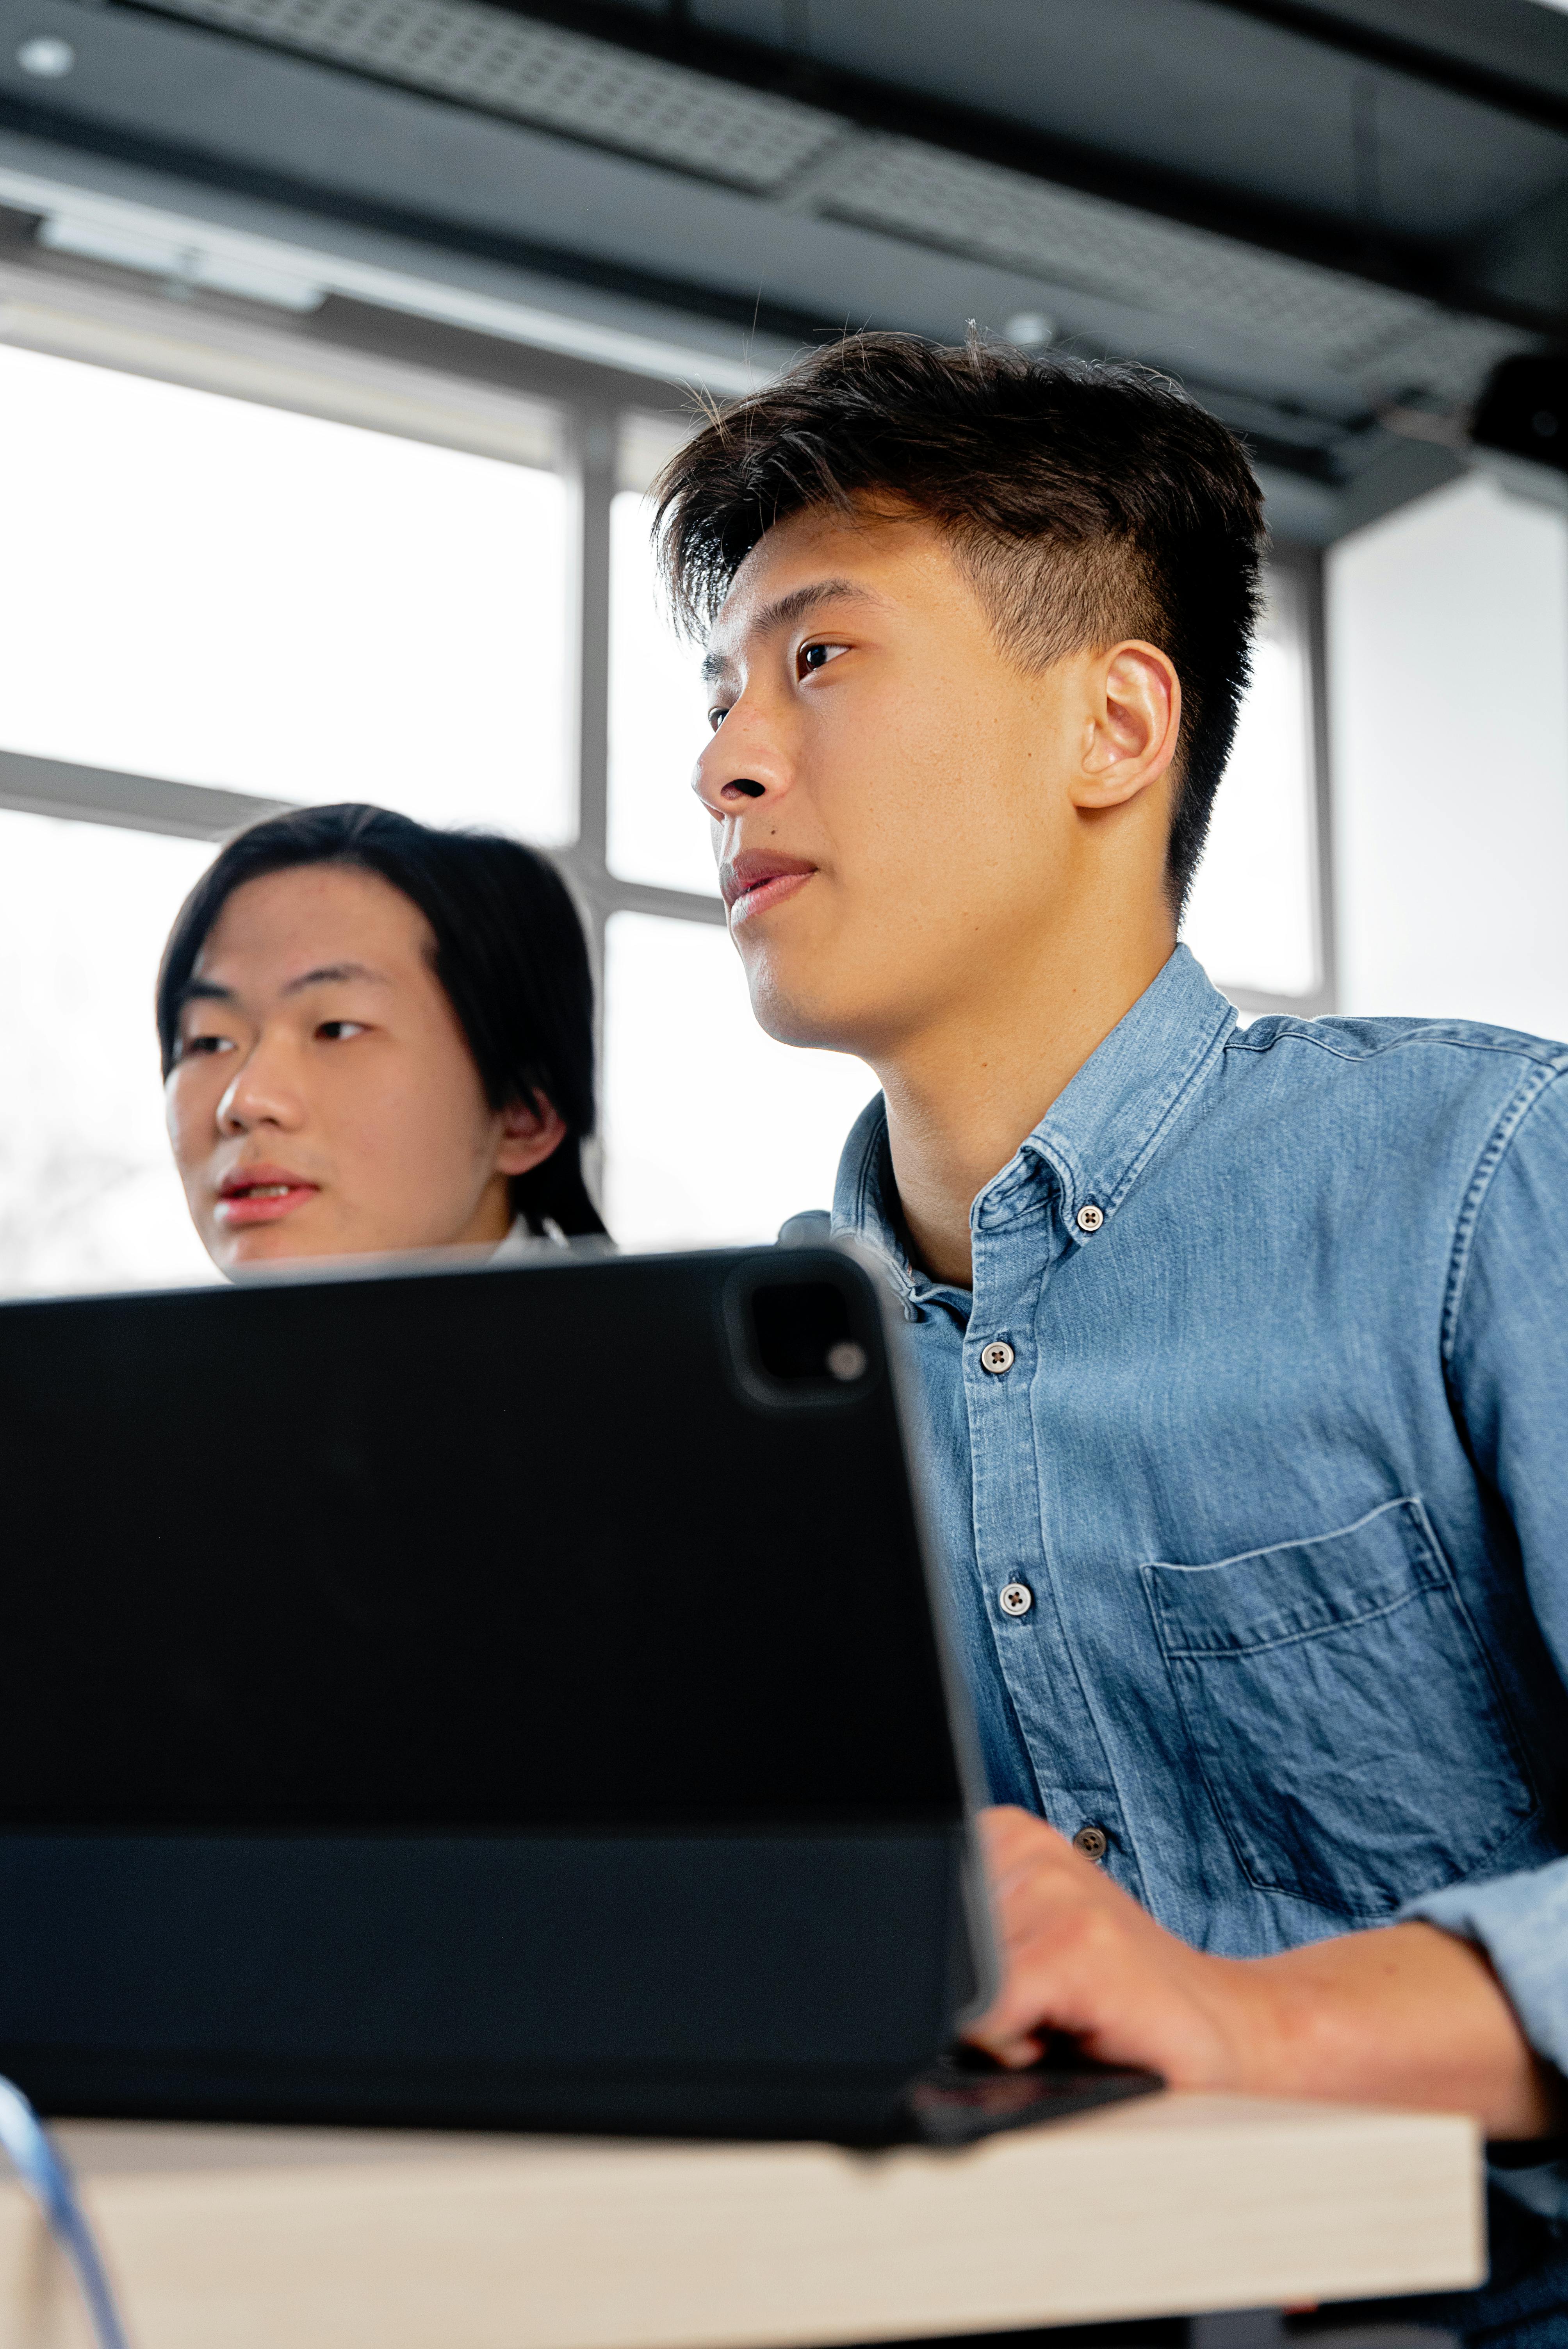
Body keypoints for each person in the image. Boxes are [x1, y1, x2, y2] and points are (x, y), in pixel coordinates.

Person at [654, 333, 1568, 2333]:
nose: (722, 757)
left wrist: (1261, 2023)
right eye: (719, 689)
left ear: (1113, 725)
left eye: (815, 659)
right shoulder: (741, 1400)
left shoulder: (1483, 1179)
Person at [159, 802, 606, 1271]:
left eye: (337, 1029)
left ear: (521, 1115)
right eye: (208, 1041)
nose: (245, 1102)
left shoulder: (656, 1344)